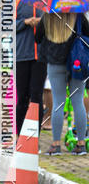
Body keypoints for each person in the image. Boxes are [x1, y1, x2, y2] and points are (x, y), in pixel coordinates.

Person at [34, 11, 89, 156]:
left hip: (55, 63)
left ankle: (56, 145)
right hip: (76, 62)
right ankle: (81, 144)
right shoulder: (78, 15)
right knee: (78, 103)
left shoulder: (48, 15)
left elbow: (37, 38)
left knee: (58, 102)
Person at [15, 0, 47, 136]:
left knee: (36, 98)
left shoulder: (46, 0)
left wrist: (43, 23)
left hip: (41, 56)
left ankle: (34, 137)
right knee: (22, 99)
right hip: (22, 55)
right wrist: (25, 22)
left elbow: (54, 23)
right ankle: (19, 136)